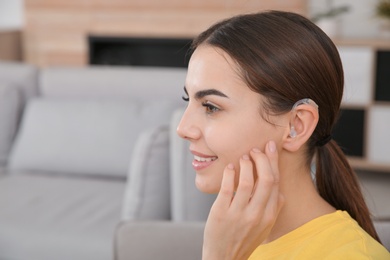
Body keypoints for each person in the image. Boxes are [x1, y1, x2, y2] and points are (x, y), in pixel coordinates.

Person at [177, 10, 390, 259]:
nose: (183, 128)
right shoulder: (235, 234)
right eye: (187, 99)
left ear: (296, 126)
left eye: (211, 107)